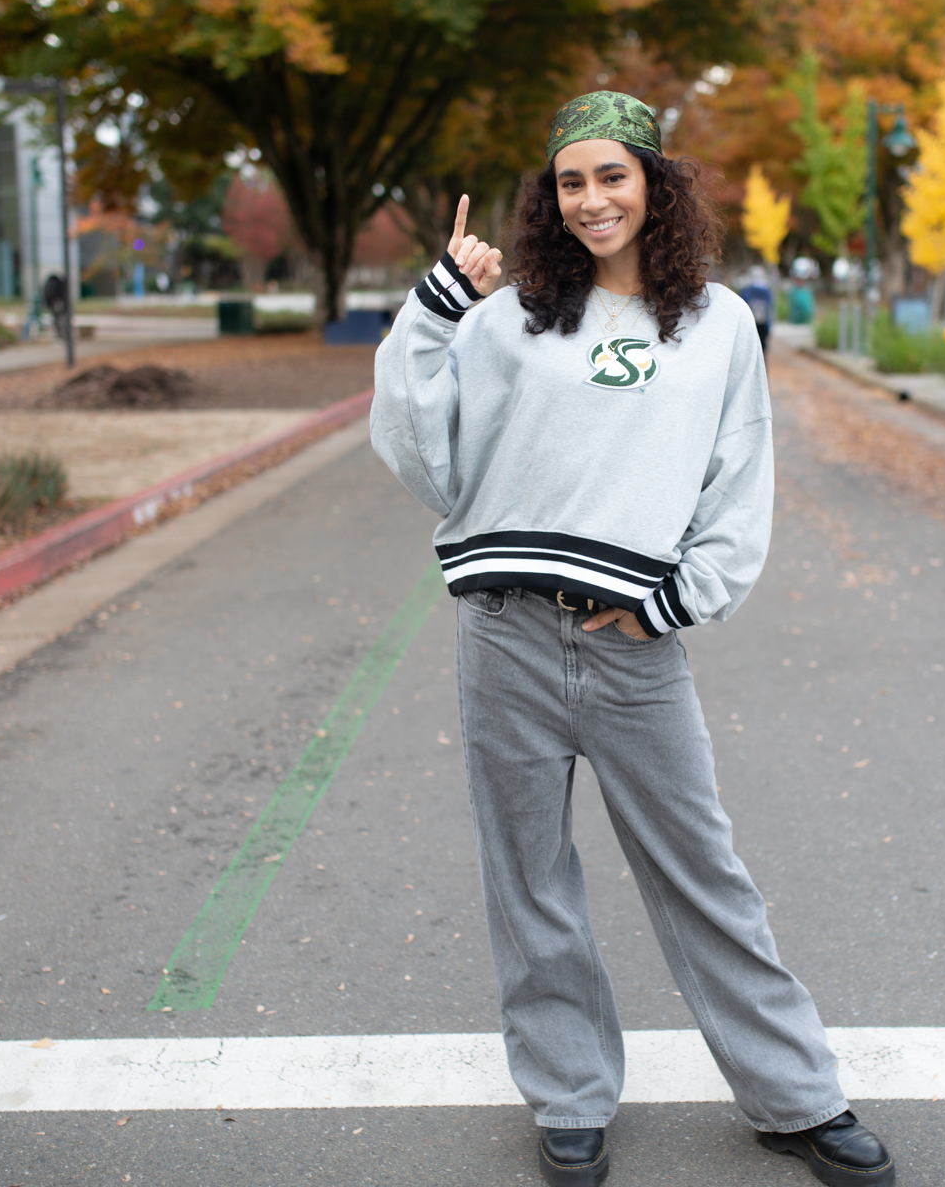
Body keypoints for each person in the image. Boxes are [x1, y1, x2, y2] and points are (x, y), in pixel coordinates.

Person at [370, 91, 897, 1187]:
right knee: (529, 875)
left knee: (704, 870)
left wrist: (677, 596)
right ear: (547, 197)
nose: (592, 198)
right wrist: (432, 311)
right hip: (504, 637)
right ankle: (568, 1092)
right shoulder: (511, 317)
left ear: (655, 183)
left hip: (633, 648)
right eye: (570, 180)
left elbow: (739, 480)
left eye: (612, 175)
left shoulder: (717, 326)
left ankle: (796, 1096)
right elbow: (429, 455)